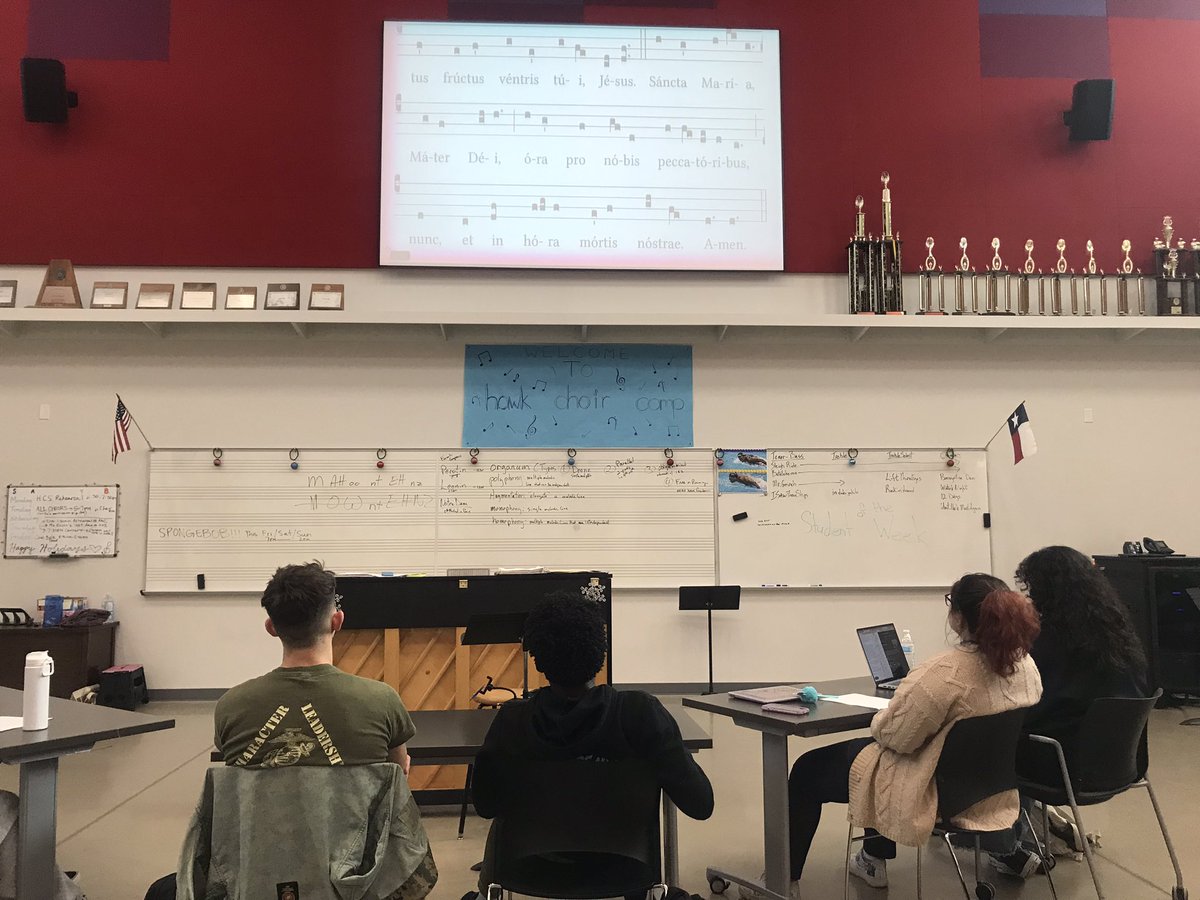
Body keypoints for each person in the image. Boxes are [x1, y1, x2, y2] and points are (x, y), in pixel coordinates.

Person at [145, 561, 425, 900]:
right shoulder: (381, 701)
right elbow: (398, 776)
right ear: (337, 621)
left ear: (271, 627)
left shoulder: (232, 706)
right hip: (358, 882)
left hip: (254, 879)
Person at [751, 574, 1042, 899]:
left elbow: (894, 736)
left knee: (810, 768)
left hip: (932, 789)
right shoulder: (1026, 665)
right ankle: (872, 860)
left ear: (958, 616)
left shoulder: (946, 672)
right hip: (988, 787)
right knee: (875, 757)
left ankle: (780, 883)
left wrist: (887, 715)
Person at [466, 592, 714, 900]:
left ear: (538, 660)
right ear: (601, 651)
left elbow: (486, 805)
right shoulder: (642, 714)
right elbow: (701, 804)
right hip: (627, 870)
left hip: (531, 870)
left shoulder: (512, 722)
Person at [1013, 545, 1149, 850]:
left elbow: (1030, 708)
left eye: (1033, 590)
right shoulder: (1121, 633)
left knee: (993, 737)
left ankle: (1008, 842)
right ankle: (1033, 827)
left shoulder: (1051, 643)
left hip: (1062, 767)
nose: (1031, 598)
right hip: (1121, 764)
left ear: (1049, 592)